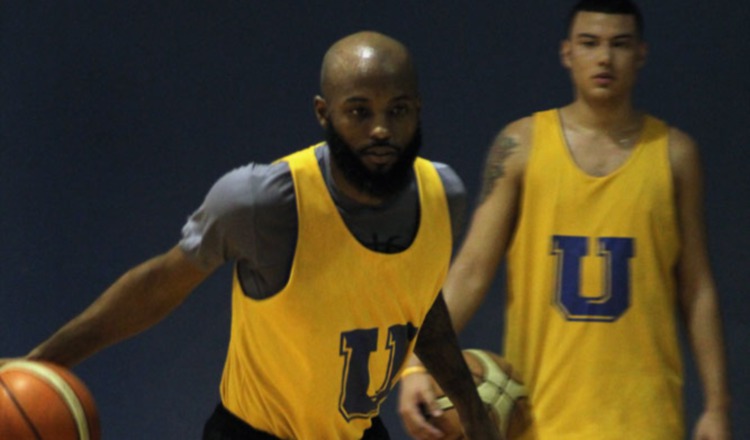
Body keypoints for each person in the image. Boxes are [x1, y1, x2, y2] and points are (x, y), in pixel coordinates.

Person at [1, 31, 500, 439]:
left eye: (398, 110)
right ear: (323, 113)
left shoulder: (442, 195)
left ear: (418, 109)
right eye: (359, 111)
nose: (380, 130)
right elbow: (157, 286)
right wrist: (38, 363)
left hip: (357, 432)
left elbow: (415, 302)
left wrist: (469, 406)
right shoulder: (265, 202)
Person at [398, 1, 732, 439]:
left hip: (646, 421)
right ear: (566, 53)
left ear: (641, 54)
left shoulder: (675, 155)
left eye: (620, 44)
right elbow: (472, 269)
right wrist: (416, 363)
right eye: (590, 43)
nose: (604, 58)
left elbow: (697, 288)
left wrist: (717, 405)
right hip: (540, 420)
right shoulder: (521, 146)